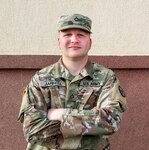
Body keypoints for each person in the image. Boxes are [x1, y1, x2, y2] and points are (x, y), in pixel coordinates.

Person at [18, 14, 127, 150]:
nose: (74, 40)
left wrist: (61, 114)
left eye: (81, 35)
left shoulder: (106, 78)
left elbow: (110, 121)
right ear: (59, 42)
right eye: (67, 34)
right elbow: (32, 129)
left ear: (90, 43)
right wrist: (88, 122)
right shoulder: (41, 79)